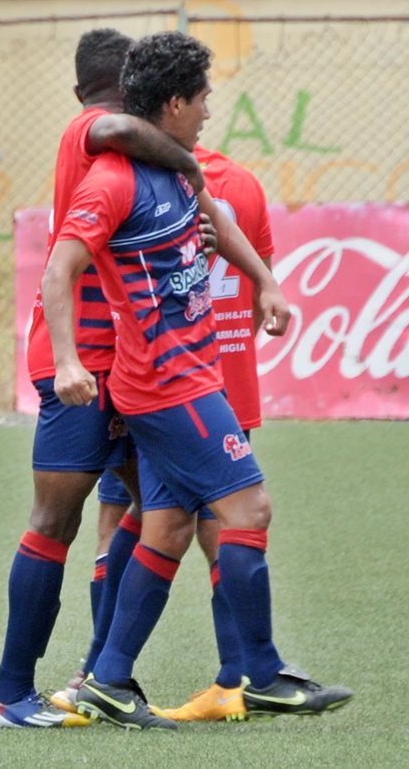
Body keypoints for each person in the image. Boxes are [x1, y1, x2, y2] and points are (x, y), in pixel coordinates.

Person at [44, 30, 352, 730]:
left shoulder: (177, 169)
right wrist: (66, 361)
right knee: (250, 509)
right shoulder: (113, 179)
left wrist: (265, 281)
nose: (211, 110)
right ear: (176, 103)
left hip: (189, 374)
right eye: (204, 98)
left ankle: (108, 680)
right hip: (166, 385)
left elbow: (218, 220)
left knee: (169, 527)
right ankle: (264, 676)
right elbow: (59, 268)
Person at [0, 28, 207, 729]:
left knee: (165, 508)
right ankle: (9, 695)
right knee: (56, 519)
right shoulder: (92, 130)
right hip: (79, 360)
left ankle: (99, 676)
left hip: (131, 362)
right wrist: (190, 162)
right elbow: (116, 127)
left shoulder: (128, 164)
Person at [56, 146, 277, 723]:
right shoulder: (239, 183)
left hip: (160, 381)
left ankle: (98, 675)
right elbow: (259, 286)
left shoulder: (129, 177)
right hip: (217, 380)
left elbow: (74, 269)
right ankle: (233, 677)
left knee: (134, 517)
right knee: (201, 522)